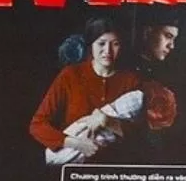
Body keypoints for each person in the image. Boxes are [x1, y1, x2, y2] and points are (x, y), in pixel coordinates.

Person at [29, 16, 141, 162]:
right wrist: (77, 144)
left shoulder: (130, 80)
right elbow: (38, 125)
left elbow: (140, 136)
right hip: (73, 167)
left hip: (115, 166)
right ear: (91, 45)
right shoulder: (70, 75)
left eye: (115, 44)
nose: (107, 51)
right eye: (101, 43)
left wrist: (107, 121)